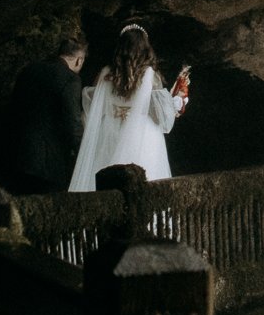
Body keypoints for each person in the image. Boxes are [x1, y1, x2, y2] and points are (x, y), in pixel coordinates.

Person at [68, 23, 186, 191]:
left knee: (106, 186)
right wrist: (176, 103)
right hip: (143, 138)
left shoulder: (105, 74)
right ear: (146, 48)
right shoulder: (151, 76)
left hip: (109, 136)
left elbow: (91, 111)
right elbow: (164, 120)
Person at [9, 33, 87, 192]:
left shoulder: (29, 69)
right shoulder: (70, 79)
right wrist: (82, 152)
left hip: (16, 152)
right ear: (79, 60)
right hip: (48, 162)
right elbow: (73, 122)